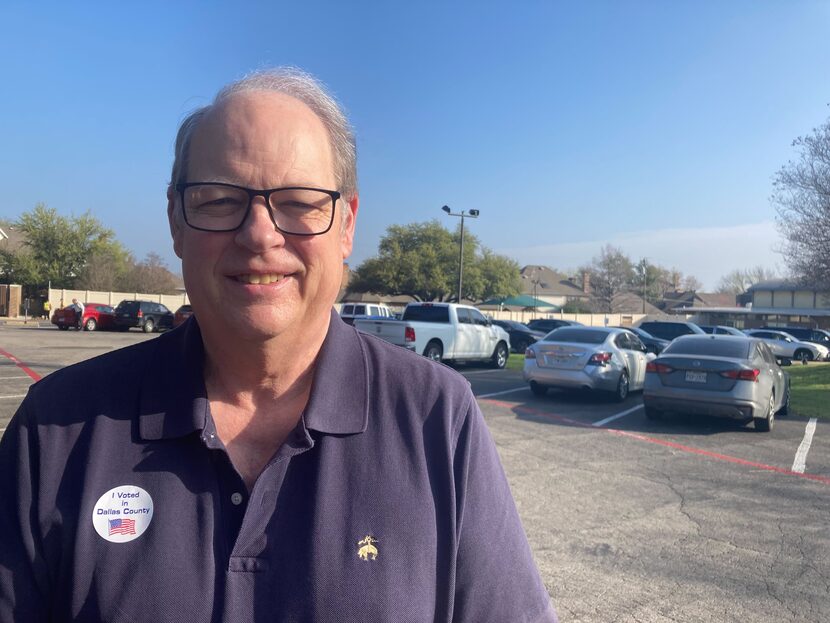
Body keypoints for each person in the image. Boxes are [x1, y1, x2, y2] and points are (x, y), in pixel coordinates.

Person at [0, 68, 557, 622]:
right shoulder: (55, 432)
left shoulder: (437, 418)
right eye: (220, 200)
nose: (260, 234)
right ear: (175, 219)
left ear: (346, 226)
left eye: (299, 202)